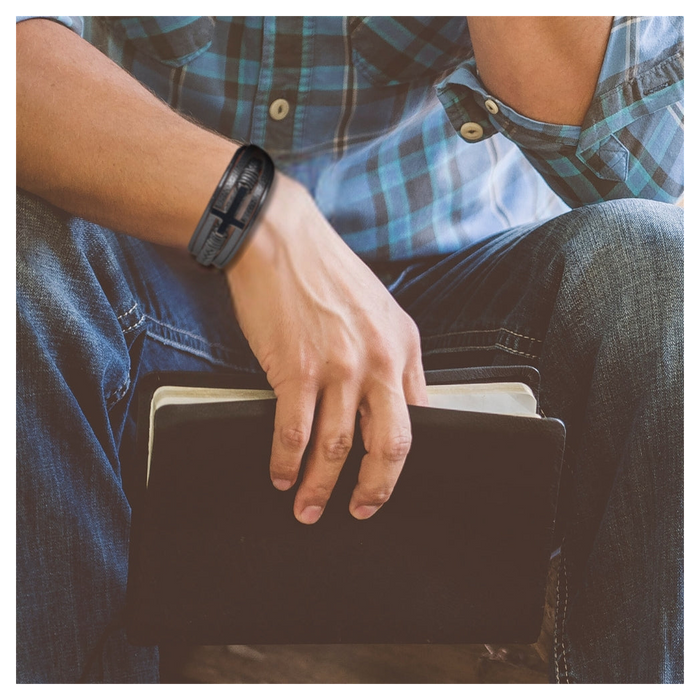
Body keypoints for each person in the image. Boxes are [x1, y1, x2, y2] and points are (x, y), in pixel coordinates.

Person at [14, 13, 685, 686]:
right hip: (139, 287)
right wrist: (253, 215)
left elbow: (637, 175)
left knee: (664, 276)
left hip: (456, 308)